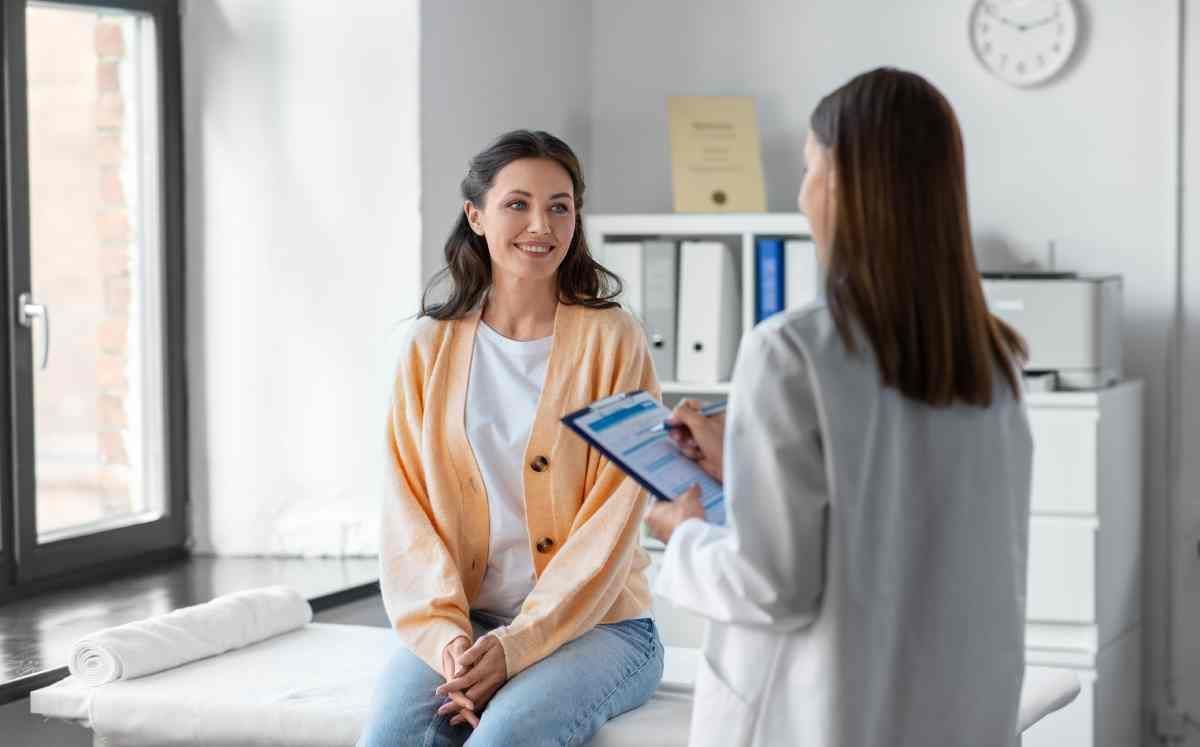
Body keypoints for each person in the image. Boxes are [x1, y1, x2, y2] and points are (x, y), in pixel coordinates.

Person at [645, 68, 1034, 747]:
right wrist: (743, 468)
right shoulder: (992, 360)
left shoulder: (790, 350)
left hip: (825, 717)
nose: (801, 195)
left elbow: (772, 586)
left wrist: (682, 533)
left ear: (846, 182)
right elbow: (896, 516)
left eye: (808, 167)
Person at [359, 130, 664, 746]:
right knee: (392, 737)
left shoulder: (616, 340)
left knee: (505, 738)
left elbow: (616, 518)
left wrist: (517, 646)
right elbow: (406, 515)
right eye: (517, 204)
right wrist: (452, 645)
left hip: (601, 627)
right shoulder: (428, 347)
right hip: (462, 624)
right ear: (476, 216)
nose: (540, 225)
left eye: (560, 206)